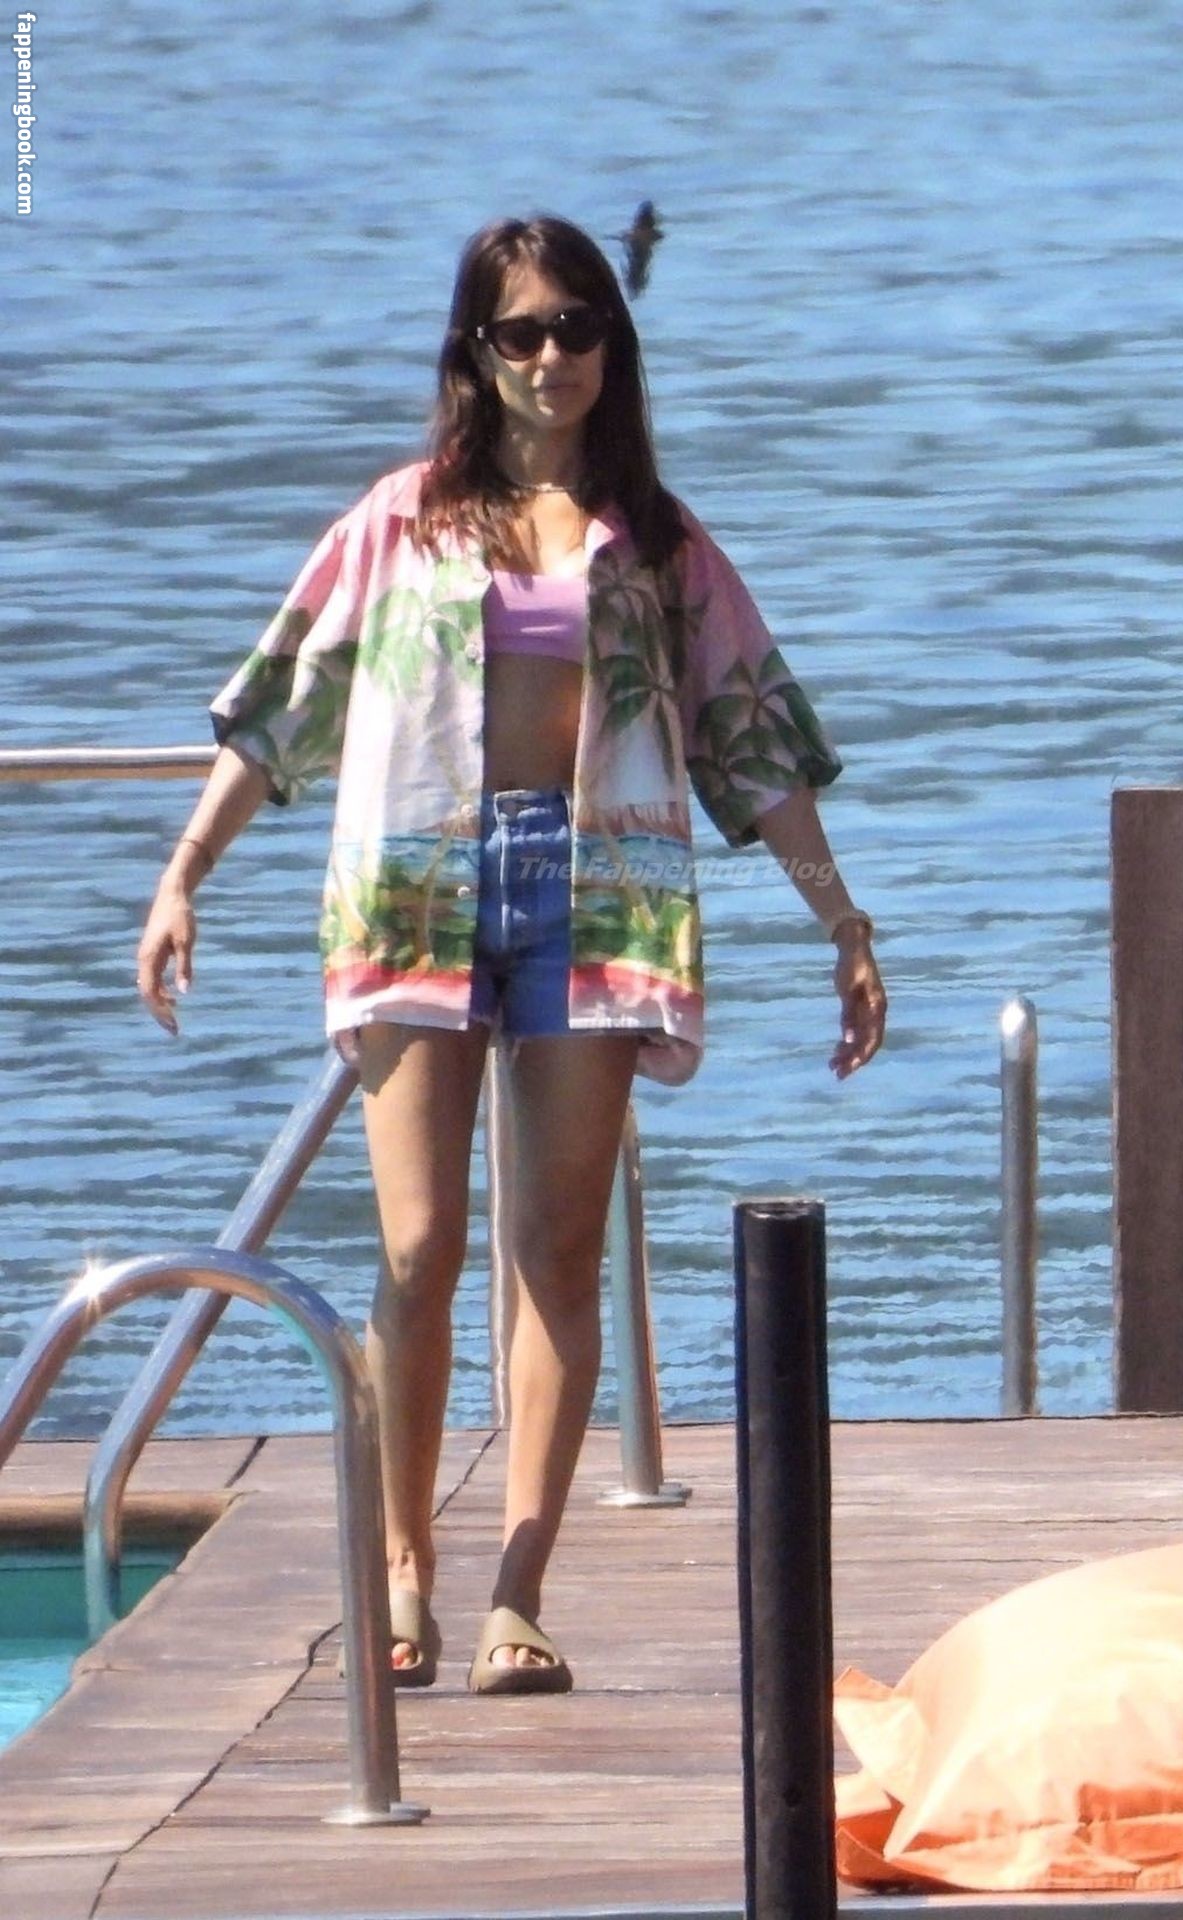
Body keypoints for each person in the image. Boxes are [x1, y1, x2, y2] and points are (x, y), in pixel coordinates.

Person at [135, 212, 886, 1694]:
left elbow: (752, 749)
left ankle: (518, 1590)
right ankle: (402, 1564)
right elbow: (282, 708)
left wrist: (843, 922)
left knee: (556, 1251)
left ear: (614, 345)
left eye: (578, 327)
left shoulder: (658, 545)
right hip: (418, 886)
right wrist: (183, 874)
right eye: (522, 332)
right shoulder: (401, 521)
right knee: (419, 1249)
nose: (554, 357)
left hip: (597, 891)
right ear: (477, 354)